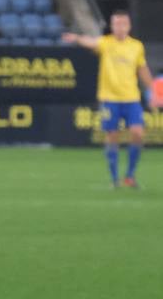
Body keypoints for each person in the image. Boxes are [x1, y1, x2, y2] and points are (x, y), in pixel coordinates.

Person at [63, 11, 158, 188]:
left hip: (132, 98)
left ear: (128, 26)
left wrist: (153, 91)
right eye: (116, 24)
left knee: (138, 133)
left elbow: (142, 70)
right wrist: (76, 38)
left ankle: (129, 176)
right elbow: (90, 42)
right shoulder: (106, 43)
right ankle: (114, 178)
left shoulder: (136, 46)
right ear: (112, 26)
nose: (120, 27)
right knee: (112, 135)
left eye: (123, 24)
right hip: (110, 98)